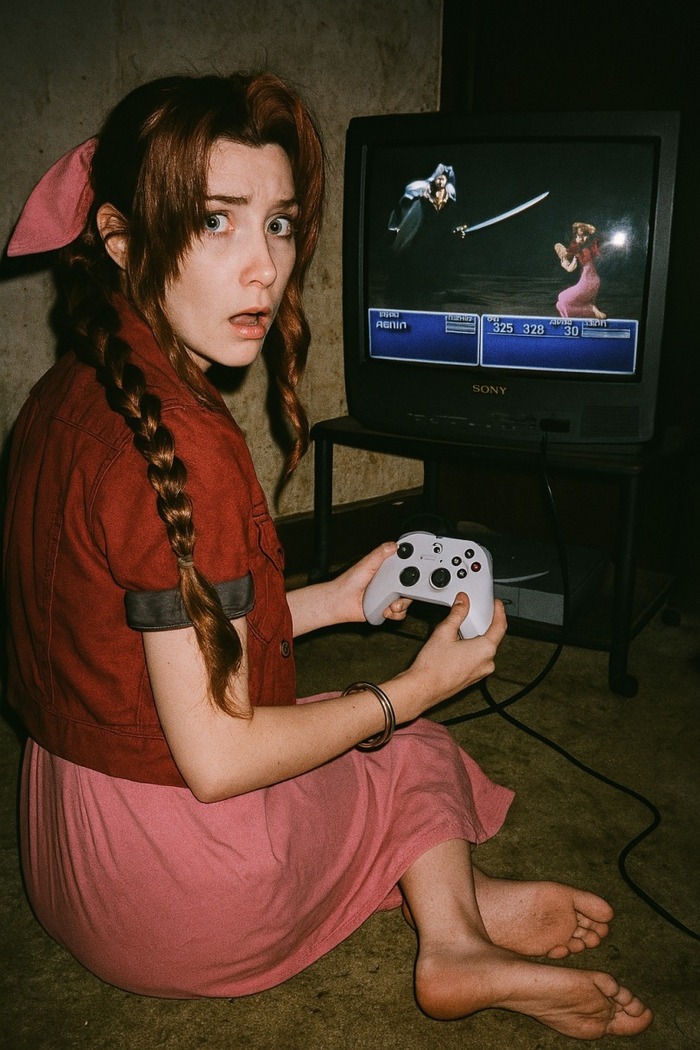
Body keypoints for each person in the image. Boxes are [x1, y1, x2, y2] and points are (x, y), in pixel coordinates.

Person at [3, 72, 652, 1039]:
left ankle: (455, 907)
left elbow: (153, 643)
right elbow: (218, 759)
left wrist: (337, 600)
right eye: (216, 221)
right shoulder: (187, 446)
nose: (266, 267)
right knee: (409, 748)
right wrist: (412, 690)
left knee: (342, 732)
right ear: (122, 240)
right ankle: (454, 939)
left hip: (69, 867)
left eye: (277, 223)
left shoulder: (67, 393)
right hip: (181, 898)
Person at [555, 221, 607, 319]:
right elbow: (571, 267)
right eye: (579, 235)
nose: (581, 238)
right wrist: (566, 261)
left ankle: (591, 309)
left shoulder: (588, 248)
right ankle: (587, 310)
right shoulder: (577, 249)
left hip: (590, 281)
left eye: (584, 235)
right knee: (560, 300)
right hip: (587, 280)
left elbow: (585, 250)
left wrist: (569, 256)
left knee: (563, 301)